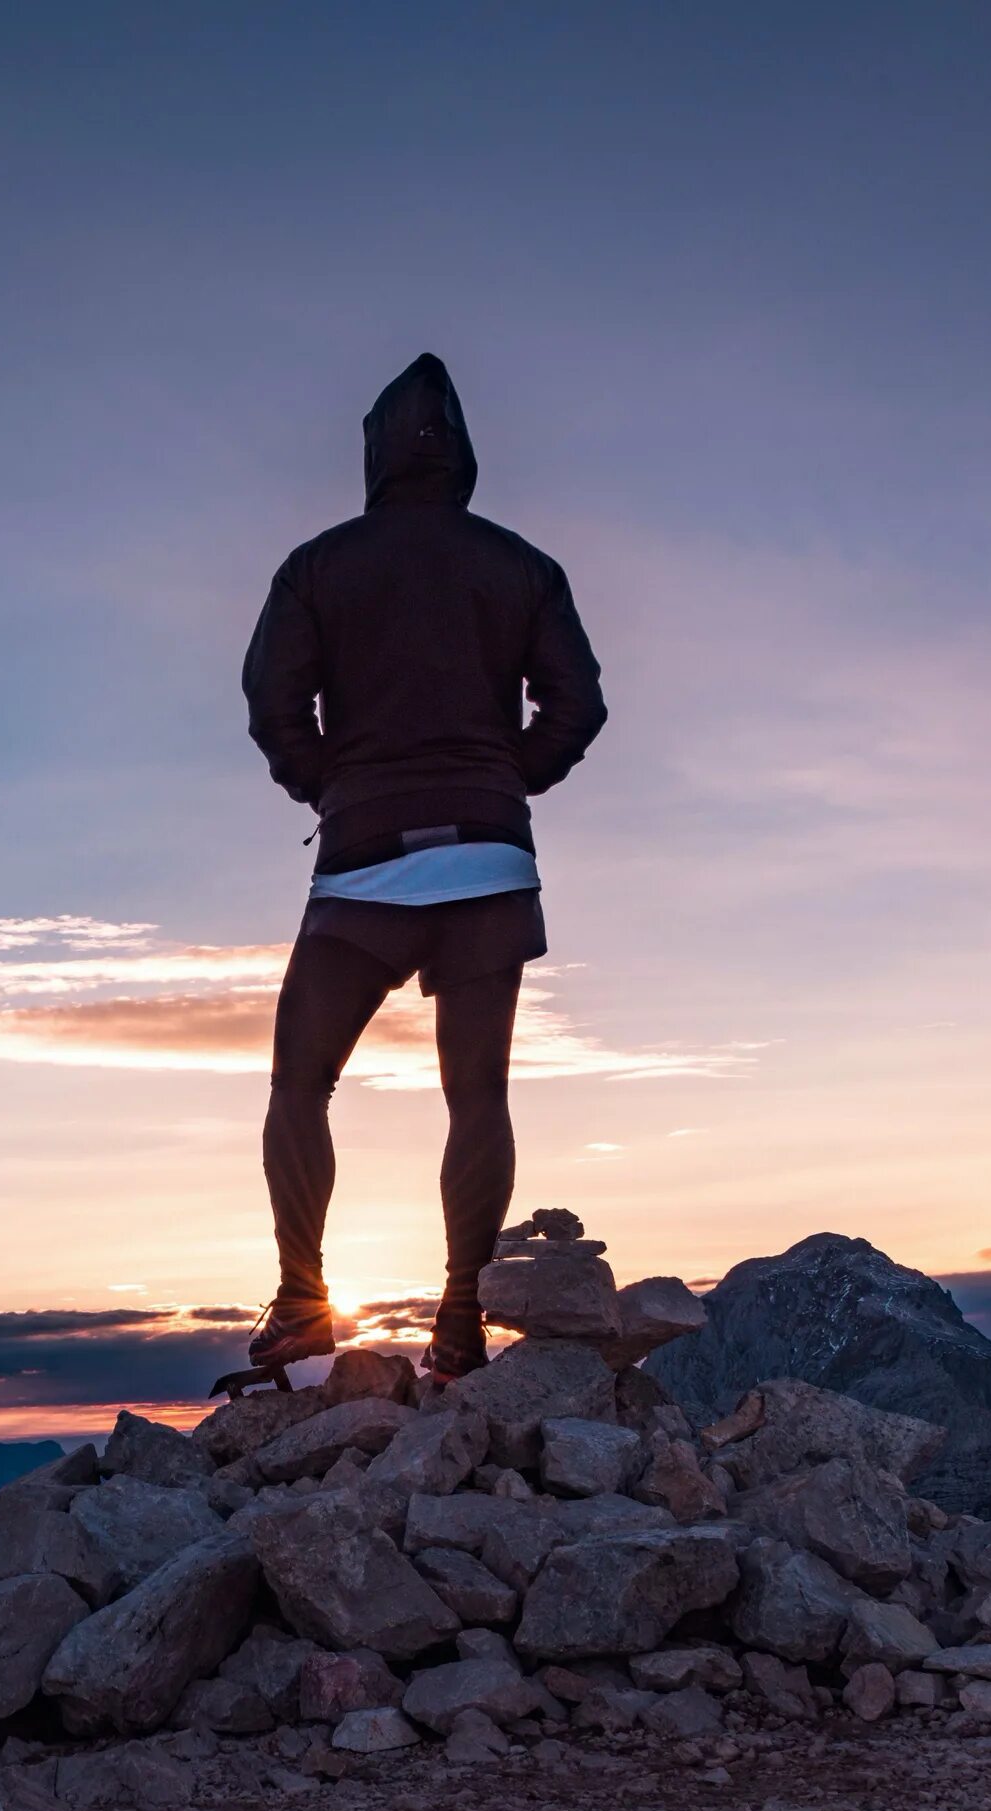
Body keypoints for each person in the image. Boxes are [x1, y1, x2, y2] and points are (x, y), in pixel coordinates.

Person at [238, 352, 608, 1383]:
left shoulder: (316, 568)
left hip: (362, 860)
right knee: (477, 1094)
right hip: (489, 855)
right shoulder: (525, 566)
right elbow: (576, 707)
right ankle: (458, 1321)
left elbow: (274, 705)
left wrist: (333, 787)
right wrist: (503, 781)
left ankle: (305, 1303)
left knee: (300, 1082)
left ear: (373, 453)